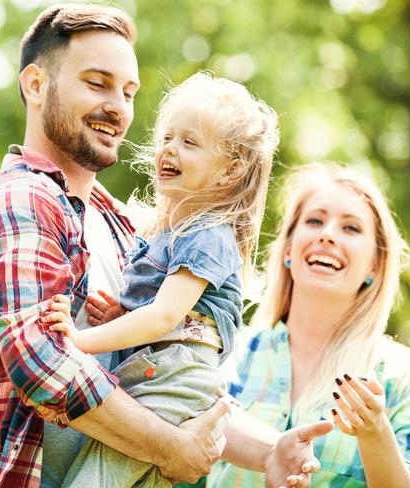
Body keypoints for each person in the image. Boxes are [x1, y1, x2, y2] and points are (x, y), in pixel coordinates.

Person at [0, 4, 330, 487]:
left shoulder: (128, 230)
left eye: (128, 92)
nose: (118, 106)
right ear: (35, 85)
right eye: (97, 83)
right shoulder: (22, 201)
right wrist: (170, 448)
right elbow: (42, 364)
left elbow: (169, 381)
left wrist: (267, 452)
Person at [44, 72, 333, 488]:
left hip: (174, 380)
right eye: (167, 137)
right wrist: (122, 316)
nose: (169, 149)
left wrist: (77, 339)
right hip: (154, 373)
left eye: (189, 142)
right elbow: (158, 314)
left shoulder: (208, 235)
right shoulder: (164, 234)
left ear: (229, 171)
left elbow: (164, 318)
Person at [209, 162, 410, 486]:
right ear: (289, 250)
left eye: (351, 228)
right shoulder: (229, 352)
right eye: (315, 221)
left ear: (374, 265)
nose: (327, 235)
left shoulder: (402, 374)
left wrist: (375, 434)